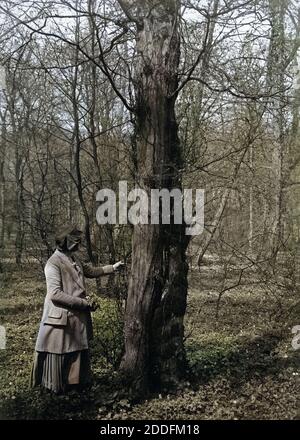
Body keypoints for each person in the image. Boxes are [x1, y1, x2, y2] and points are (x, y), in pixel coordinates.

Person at [30, 224, 124, 394]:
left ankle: (75, 388)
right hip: (60, 317)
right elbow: (55, 294)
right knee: (61, 351)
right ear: (65, 242)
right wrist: (84, 303)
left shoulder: (74, 258)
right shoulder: (53, 263)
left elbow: (90, 271)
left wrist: (113, 268)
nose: (79, 245)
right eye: (76, 241)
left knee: (76, 351)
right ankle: (57, 391)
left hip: (75, 315)